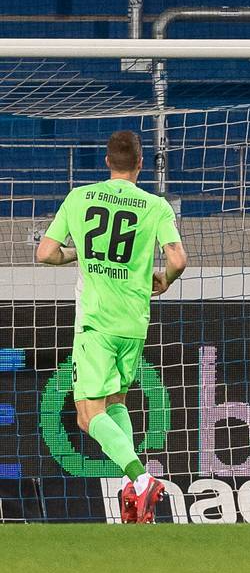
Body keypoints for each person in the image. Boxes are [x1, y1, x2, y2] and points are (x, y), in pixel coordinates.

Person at [36, 130, 187, 523]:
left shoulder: (79, 197)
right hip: (134, 323)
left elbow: (45, 253)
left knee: (87, 415)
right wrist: (165, 279)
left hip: (95, 323)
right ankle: (133, 486)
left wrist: (77, 254)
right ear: (141, 164)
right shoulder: (155, 205)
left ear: (107, 162)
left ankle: (141, 479)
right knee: (116, 404)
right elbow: (178, 259)